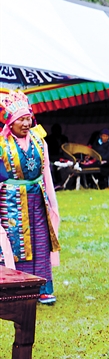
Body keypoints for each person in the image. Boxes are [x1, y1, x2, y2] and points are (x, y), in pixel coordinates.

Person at [0, 91, 61, 304]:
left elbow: (46, 174)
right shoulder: (2, 144)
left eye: (28, 118)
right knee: (16, 244)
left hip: (37, 198)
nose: (26, 123)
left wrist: (52, 203)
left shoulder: (39, 140)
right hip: (11, 201)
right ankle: (16, 289)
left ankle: (43, 288)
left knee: (40, 242)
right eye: (21, 120)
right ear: (10, 122)